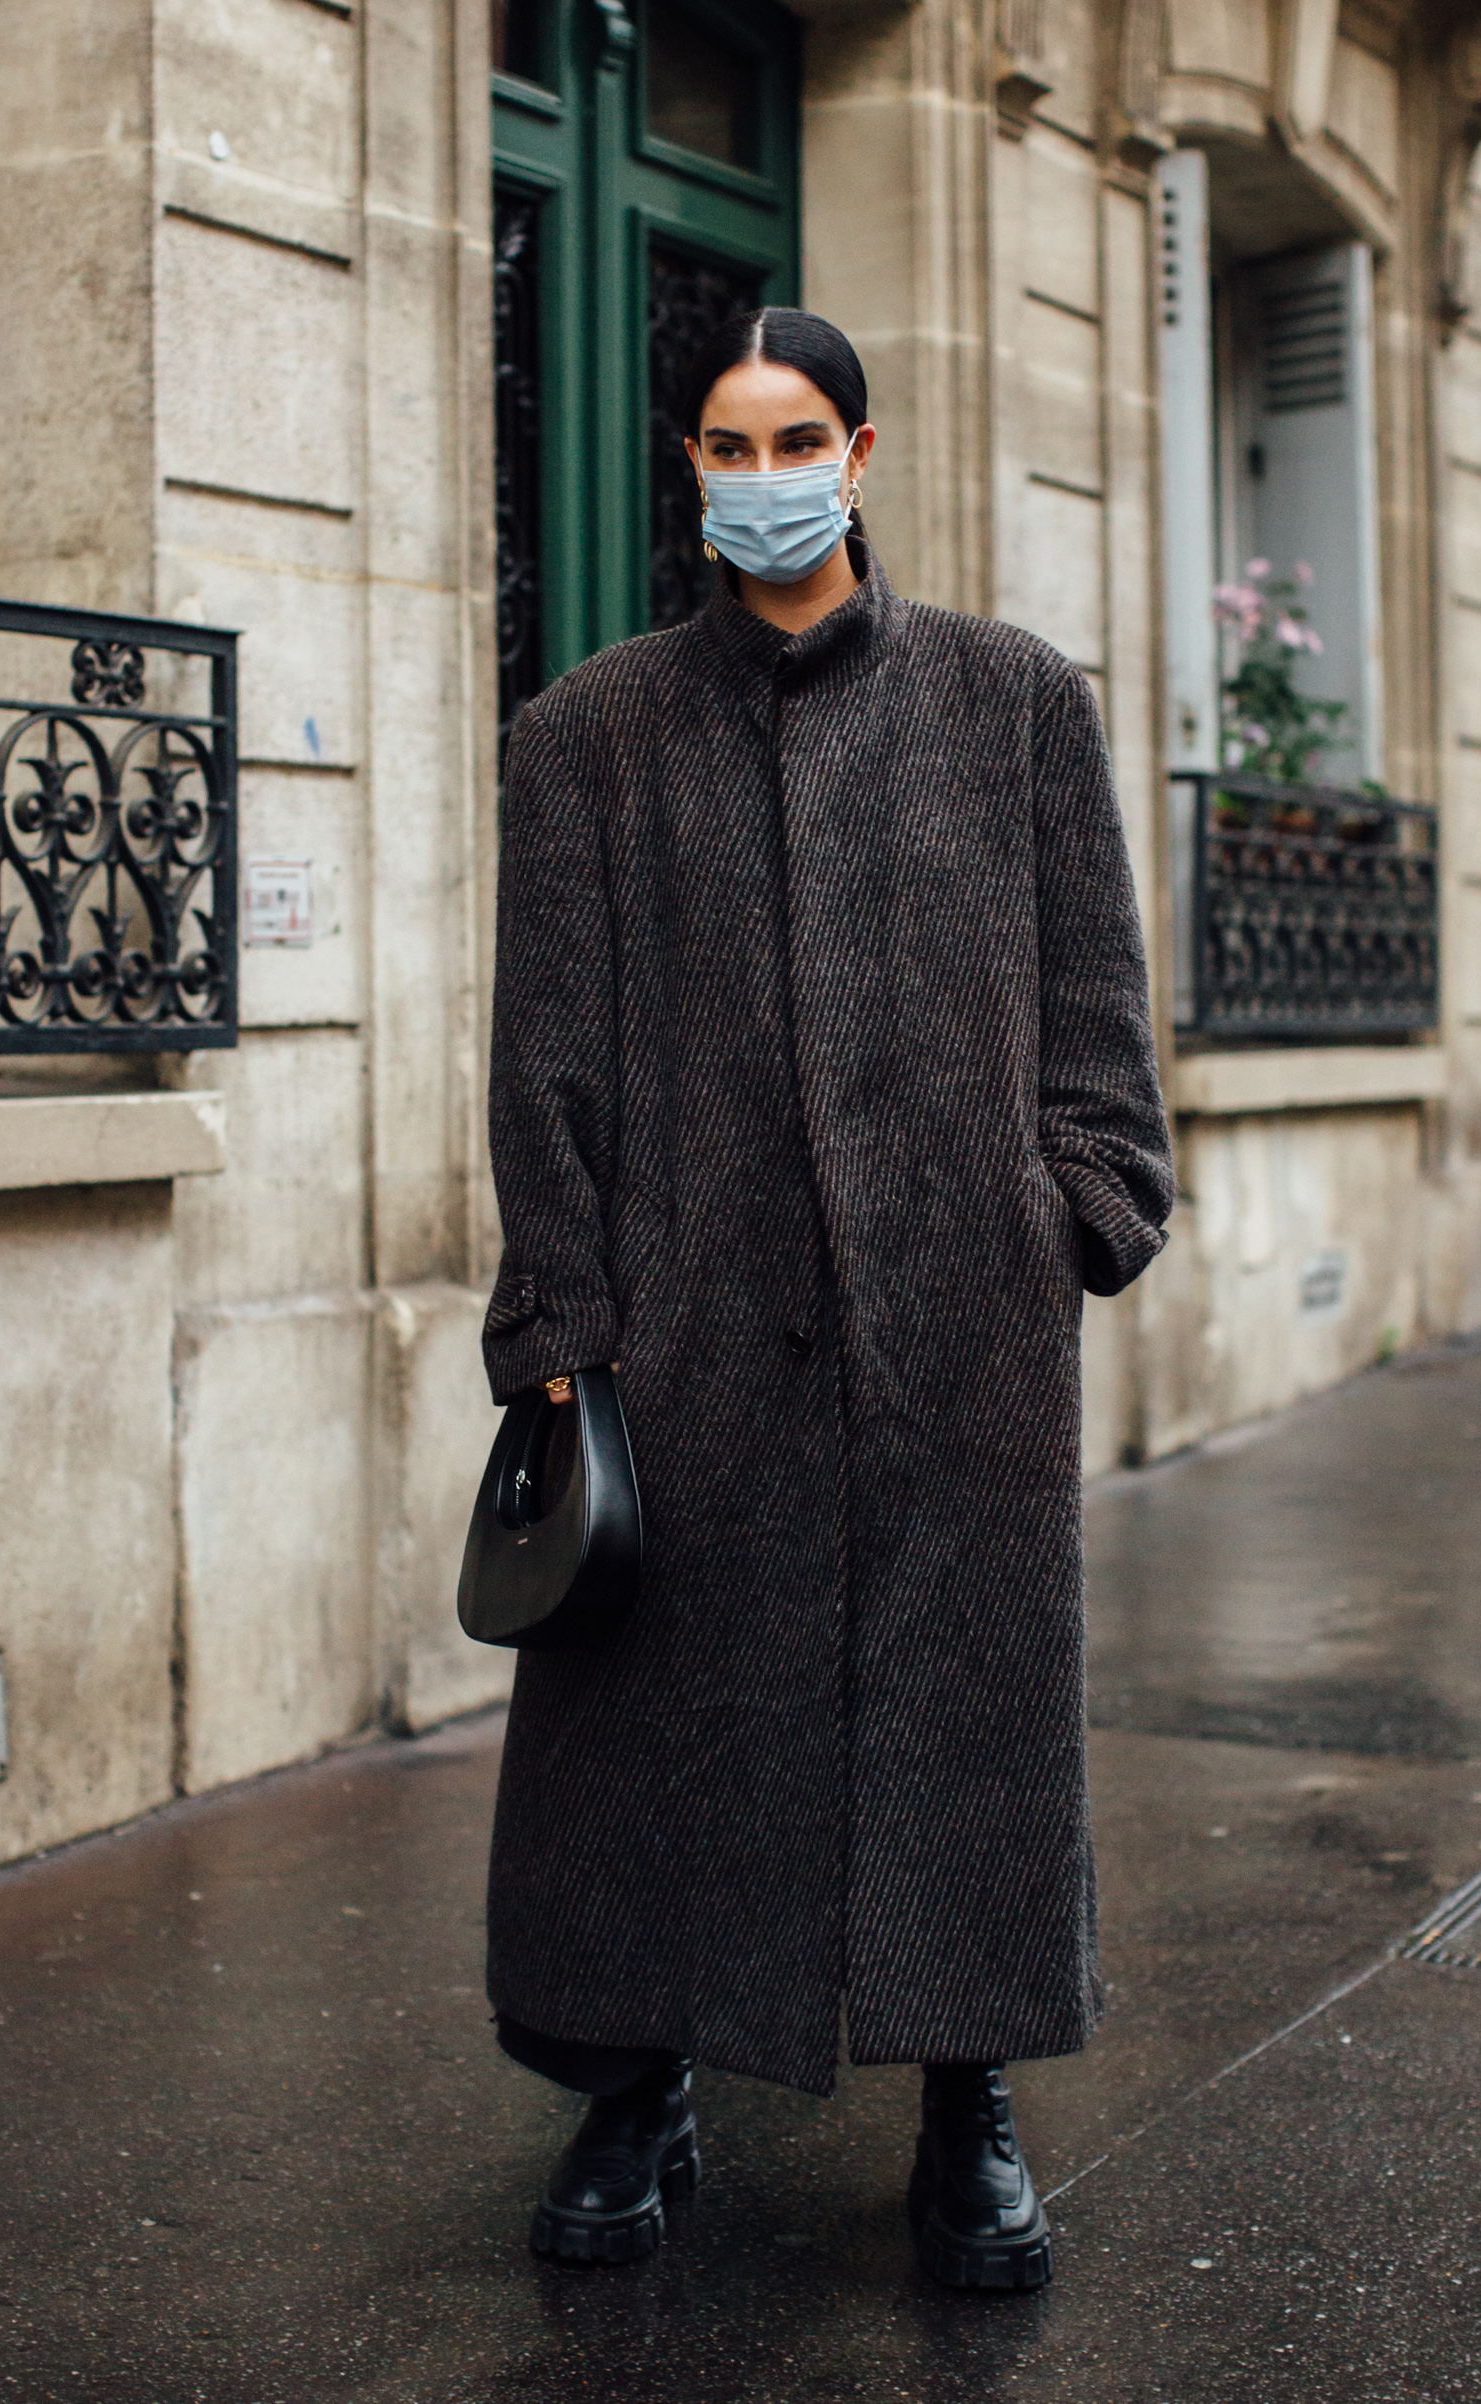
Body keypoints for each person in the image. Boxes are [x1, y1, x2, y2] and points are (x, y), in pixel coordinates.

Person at [479, 307, 1174, 2292]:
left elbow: (1095, 1004)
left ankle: (971, 2103)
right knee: (651, 1723)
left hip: (962, 1313)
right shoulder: (587, 735)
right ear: (690, 466)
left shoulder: (1015, 701)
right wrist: (564, 1326)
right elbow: (549, 1061)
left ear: (860, 456)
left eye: (795, 438)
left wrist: (1079, 1207)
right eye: (724, 440)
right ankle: (638, 2086)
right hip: (687, 1323)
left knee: (965, 1712)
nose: (759, 473)